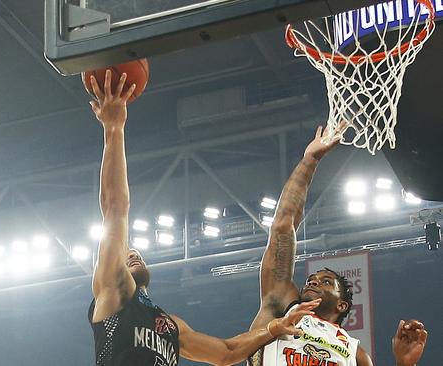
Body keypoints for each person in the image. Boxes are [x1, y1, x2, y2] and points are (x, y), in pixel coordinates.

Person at [88, 70, 321, 366]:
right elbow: (115, 207)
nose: (134, 254)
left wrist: (275, 328)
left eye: (137, 254)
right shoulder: (114, 292)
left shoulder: (169, 326)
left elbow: (226, 353)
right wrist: (114, 129)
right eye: (127, 254)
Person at [248, 126, 428, 366]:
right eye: (312, 279)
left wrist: (405, 365)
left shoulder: (356, 355)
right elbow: (283, 225)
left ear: (342, 305)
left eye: (325, 282)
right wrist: (310, 160)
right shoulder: (281, 306)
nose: (312, 282)